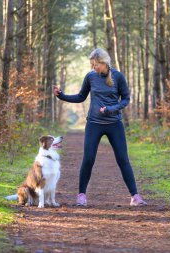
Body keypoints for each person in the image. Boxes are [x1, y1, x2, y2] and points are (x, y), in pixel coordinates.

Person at [53, 48, 147, 207]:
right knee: (88, 159)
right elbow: (81, 97)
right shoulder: (90, 77)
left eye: (95, 64)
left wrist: (111, 109)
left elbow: (126, 99)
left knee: (123, 159)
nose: (93, 67)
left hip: (114, 124)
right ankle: (81, 195)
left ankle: (135, 196)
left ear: (103, 63)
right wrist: (61, 95)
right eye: (91, 64)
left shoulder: (118, 76)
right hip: (94, 124)